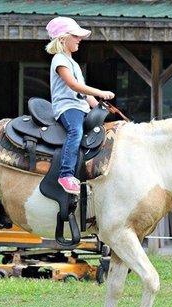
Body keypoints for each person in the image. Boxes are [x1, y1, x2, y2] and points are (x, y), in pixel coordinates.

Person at [45, 16, 115, 195]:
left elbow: (83, 95)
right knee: (75, 131)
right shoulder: (59, 60)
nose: (80, 39)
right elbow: (74, 86)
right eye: (75, 36)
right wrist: (99, 92)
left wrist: (100, 106)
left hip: (80, 106)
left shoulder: (73, 63)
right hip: (68, 108)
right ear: (63, 38)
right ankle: (65, 174)